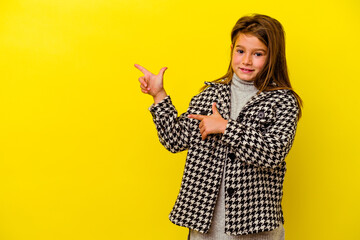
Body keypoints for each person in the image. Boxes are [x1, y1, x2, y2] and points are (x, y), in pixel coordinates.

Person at [135, 14, 302, 240]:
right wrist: (159, 96)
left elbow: (273, 153)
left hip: (256, 227)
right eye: (240, 51)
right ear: (232, 49)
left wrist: (226, 127)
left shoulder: (282, 101)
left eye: (258, 54)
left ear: (272, 56)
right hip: (206, 227)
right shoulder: (210, 95)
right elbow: (175, 140)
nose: (246, 61)